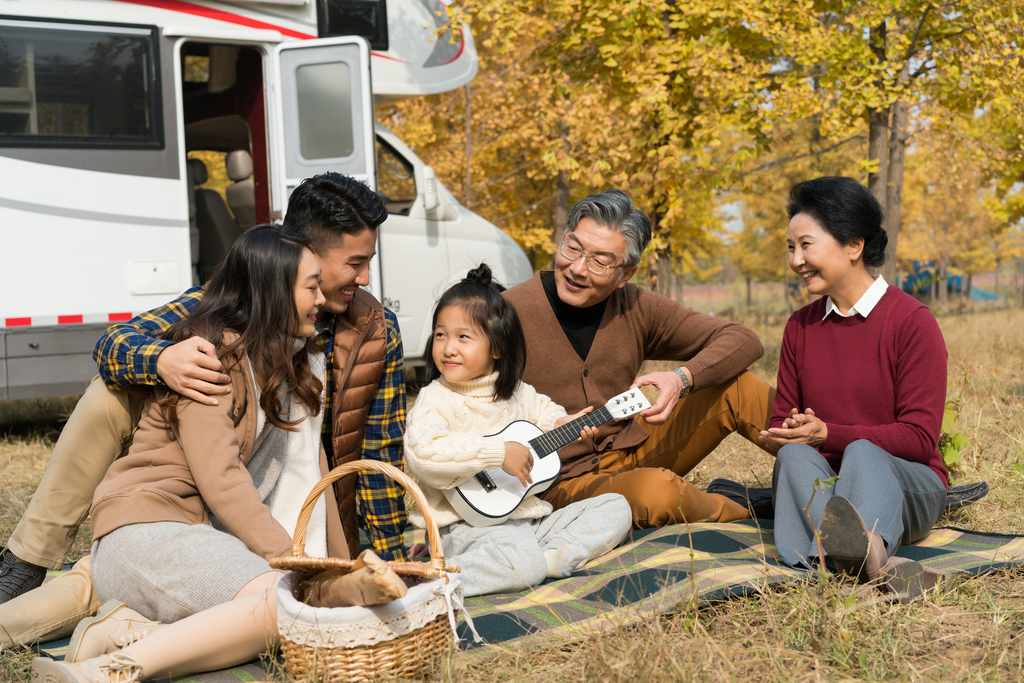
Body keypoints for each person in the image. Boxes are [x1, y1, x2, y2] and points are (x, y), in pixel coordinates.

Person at [0, 173, 405, 646]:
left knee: (112, 575)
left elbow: (379, 456)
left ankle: (113, 600)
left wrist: (385, 559)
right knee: (107, 393)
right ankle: (29, 559)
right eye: (355, 263)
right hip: (192, 488)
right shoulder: (236, 306)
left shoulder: (374, 330)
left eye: (369, 262)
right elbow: (113, 345)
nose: (366, 278)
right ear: (303, 255)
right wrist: (162, 360)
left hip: (273, 499)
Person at [33, 225, 343, 682]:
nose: (322, 298)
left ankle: (127, 630)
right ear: (273, 291)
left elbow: (315, 471)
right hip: (143, 533)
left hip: (189, 538)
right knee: (282, 604)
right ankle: (108, 671)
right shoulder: (212, 361)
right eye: (311, 286)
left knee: (289, 609)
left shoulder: (277, 363)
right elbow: (223, 482)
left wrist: (341, 563)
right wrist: (298, 563)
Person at [502, 189, 775, 529]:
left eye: (600, 261)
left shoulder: (636, 307)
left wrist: (681, 379)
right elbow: (452, 409)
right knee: (658, 492)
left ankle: (833, 479)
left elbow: (742, 340)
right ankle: (747, 509)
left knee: (739, 387)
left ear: (626, 274)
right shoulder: (504, 315)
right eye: (572, 248)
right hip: (561, 483)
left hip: (635, 447)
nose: (577, 269)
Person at [761, 176, 948, 598]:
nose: (795, 260)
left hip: (908, 484)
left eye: (806, 245)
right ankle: (856, 566)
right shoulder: (799, 327)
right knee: (792, 457)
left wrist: (830, 433)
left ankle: (864, 553)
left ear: (853, 246)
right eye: (791, 248)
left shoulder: (912, 322)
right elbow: (783, 417)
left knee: (864, 452)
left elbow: (920, 440)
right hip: (832, 482)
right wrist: (786, 434)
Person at [405, 265, 632, 596]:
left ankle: (552, 555)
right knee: (522, 563)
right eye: (441, 335)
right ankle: (424, 581)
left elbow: (545, 410)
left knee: (616, 505)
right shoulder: (435, 399)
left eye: (463, 337)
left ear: (497, 348)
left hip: (527, 523)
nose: (449, 347)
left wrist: (561, 423)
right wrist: (499, 453)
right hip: (464, 527)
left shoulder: (516, 392)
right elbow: (423, 454)